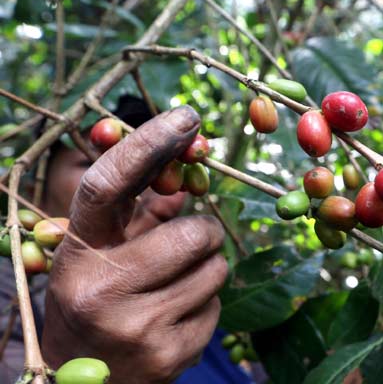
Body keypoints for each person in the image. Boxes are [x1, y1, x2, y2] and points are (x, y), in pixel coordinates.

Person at [0, 96, 255, 383]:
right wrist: (69, 360)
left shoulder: (210, 308)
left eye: (160, 173)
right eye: (93, 163)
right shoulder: (10, 302)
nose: (156, 202)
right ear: (32, 194)